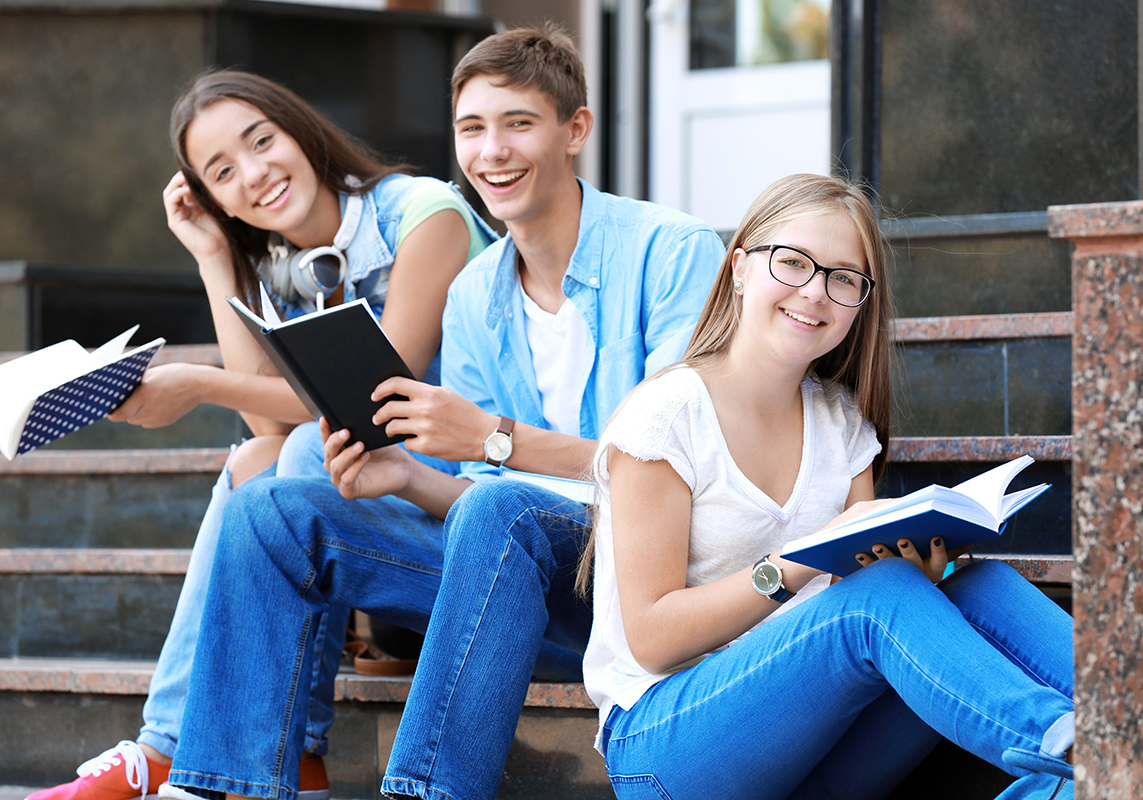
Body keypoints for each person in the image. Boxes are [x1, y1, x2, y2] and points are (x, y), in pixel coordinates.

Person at [156, 24, 726, 800]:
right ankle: (225, 787)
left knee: (504, 506)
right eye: (472, 129)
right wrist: (401, 476)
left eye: (518, 124)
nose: (493, 151)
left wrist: (495, 440)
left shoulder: (672, 254)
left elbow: (684, 470)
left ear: (575, 131)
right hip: (516, 587)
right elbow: (474, 511)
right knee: (275, 508)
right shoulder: (476, 295)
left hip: (645, 585)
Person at [27, 69, 496, 800]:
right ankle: (205, 750)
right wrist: (214, 257)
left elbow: (371, 403)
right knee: (257, 457)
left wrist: (200, 383)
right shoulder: (281, 268)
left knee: (307, 448)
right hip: (370, 538)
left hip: (474, 523)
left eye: (261, 140)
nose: (254, 174)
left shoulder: (424, 213)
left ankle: (217, 751)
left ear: (300, 130)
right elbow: (268, 426)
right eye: (222, 172)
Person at [580, 173, 1076, 799]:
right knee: (882, 594)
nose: (815, 292)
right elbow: (651, 639)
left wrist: (918, 564)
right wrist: (790, 567)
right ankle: (1077, 742)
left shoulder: (840, 422)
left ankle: (1135, 722)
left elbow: (852, 589)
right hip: (666, 747)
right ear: (739, 269)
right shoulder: (666, 416)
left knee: (977, 584)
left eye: (843, 278)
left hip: (812, 741)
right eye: (792, 263)